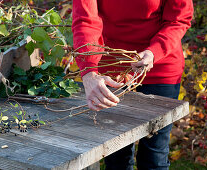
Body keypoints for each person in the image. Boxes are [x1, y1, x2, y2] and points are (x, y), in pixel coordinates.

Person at [72, 0, 193, 169]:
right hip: (112, 69)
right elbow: (86, 21)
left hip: (160, 67)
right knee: (116, 154)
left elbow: (178, 19)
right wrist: (89, 72)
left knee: (154, 156)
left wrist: (154, 51)